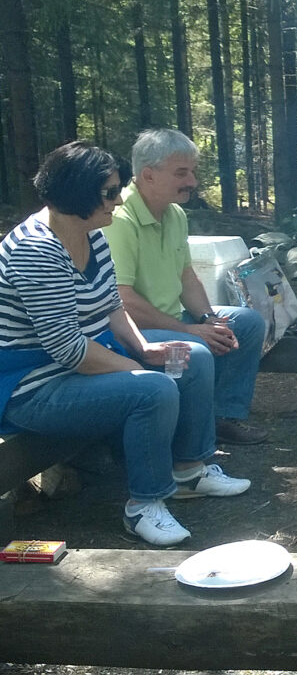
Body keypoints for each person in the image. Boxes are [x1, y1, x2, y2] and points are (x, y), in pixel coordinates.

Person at [0, 142, 251, 547]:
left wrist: (142, 347)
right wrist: (139, 369)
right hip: (32, 384)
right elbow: (69, 351)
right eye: (110, 192)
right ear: (78, 193)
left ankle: (189, 469)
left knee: (190, 359)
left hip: (79, 360)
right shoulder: (37, 251)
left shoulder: (90, 232)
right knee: (153, 388)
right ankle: (144, 506)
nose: (118, 200)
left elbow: (111, 304)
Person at [103, 129, 268, 445]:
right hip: (134, 332)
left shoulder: (175, 214)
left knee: (244, 323)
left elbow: (186, 277)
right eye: (182, 173)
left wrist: (207, 320)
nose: (192, 181)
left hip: (173, 319)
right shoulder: (120, 220)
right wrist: (188, 331)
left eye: (192, 171)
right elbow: (123, 301)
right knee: (193, 348)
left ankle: (221, 417)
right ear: (148, 175)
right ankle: (190, 443)